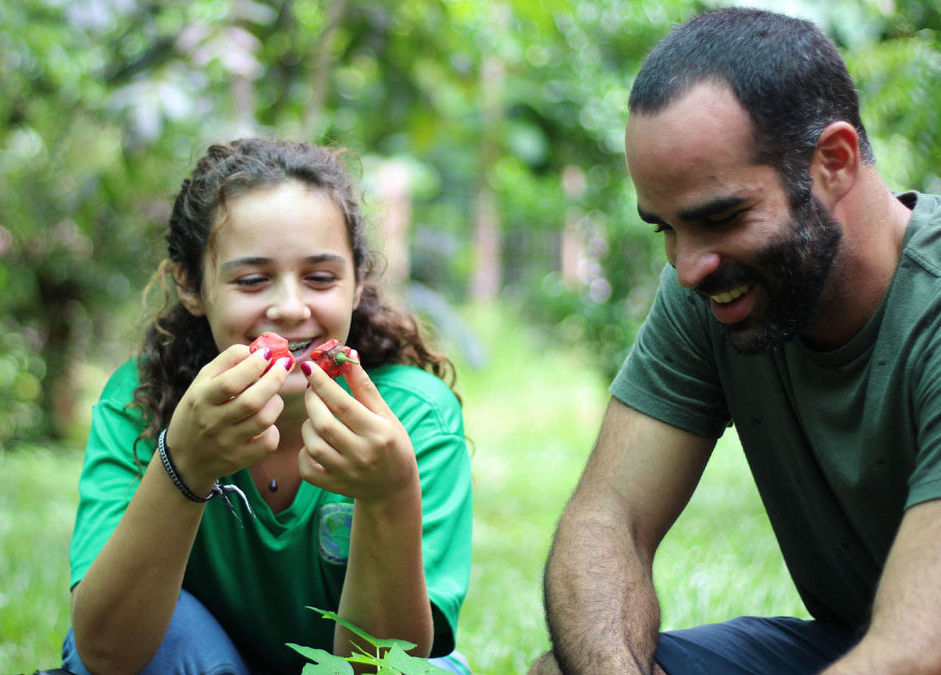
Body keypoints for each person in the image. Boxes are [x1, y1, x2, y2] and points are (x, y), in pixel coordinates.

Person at [531, 7, 941, 675]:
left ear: (832, 163)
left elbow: (915, 651)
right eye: (664, 228)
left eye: (720, 217)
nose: (688, 267)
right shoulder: (721, 289)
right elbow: (607, 520)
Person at [61, 137, 473, 674]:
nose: (289, 307)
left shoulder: (416, 417)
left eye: (321, 278)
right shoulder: (139, 406)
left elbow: (388, 665)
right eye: (252, 280)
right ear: (190, 286)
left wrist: (389, 494)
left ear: (357, 283)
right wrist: (183, 465)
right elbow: (108, 653)